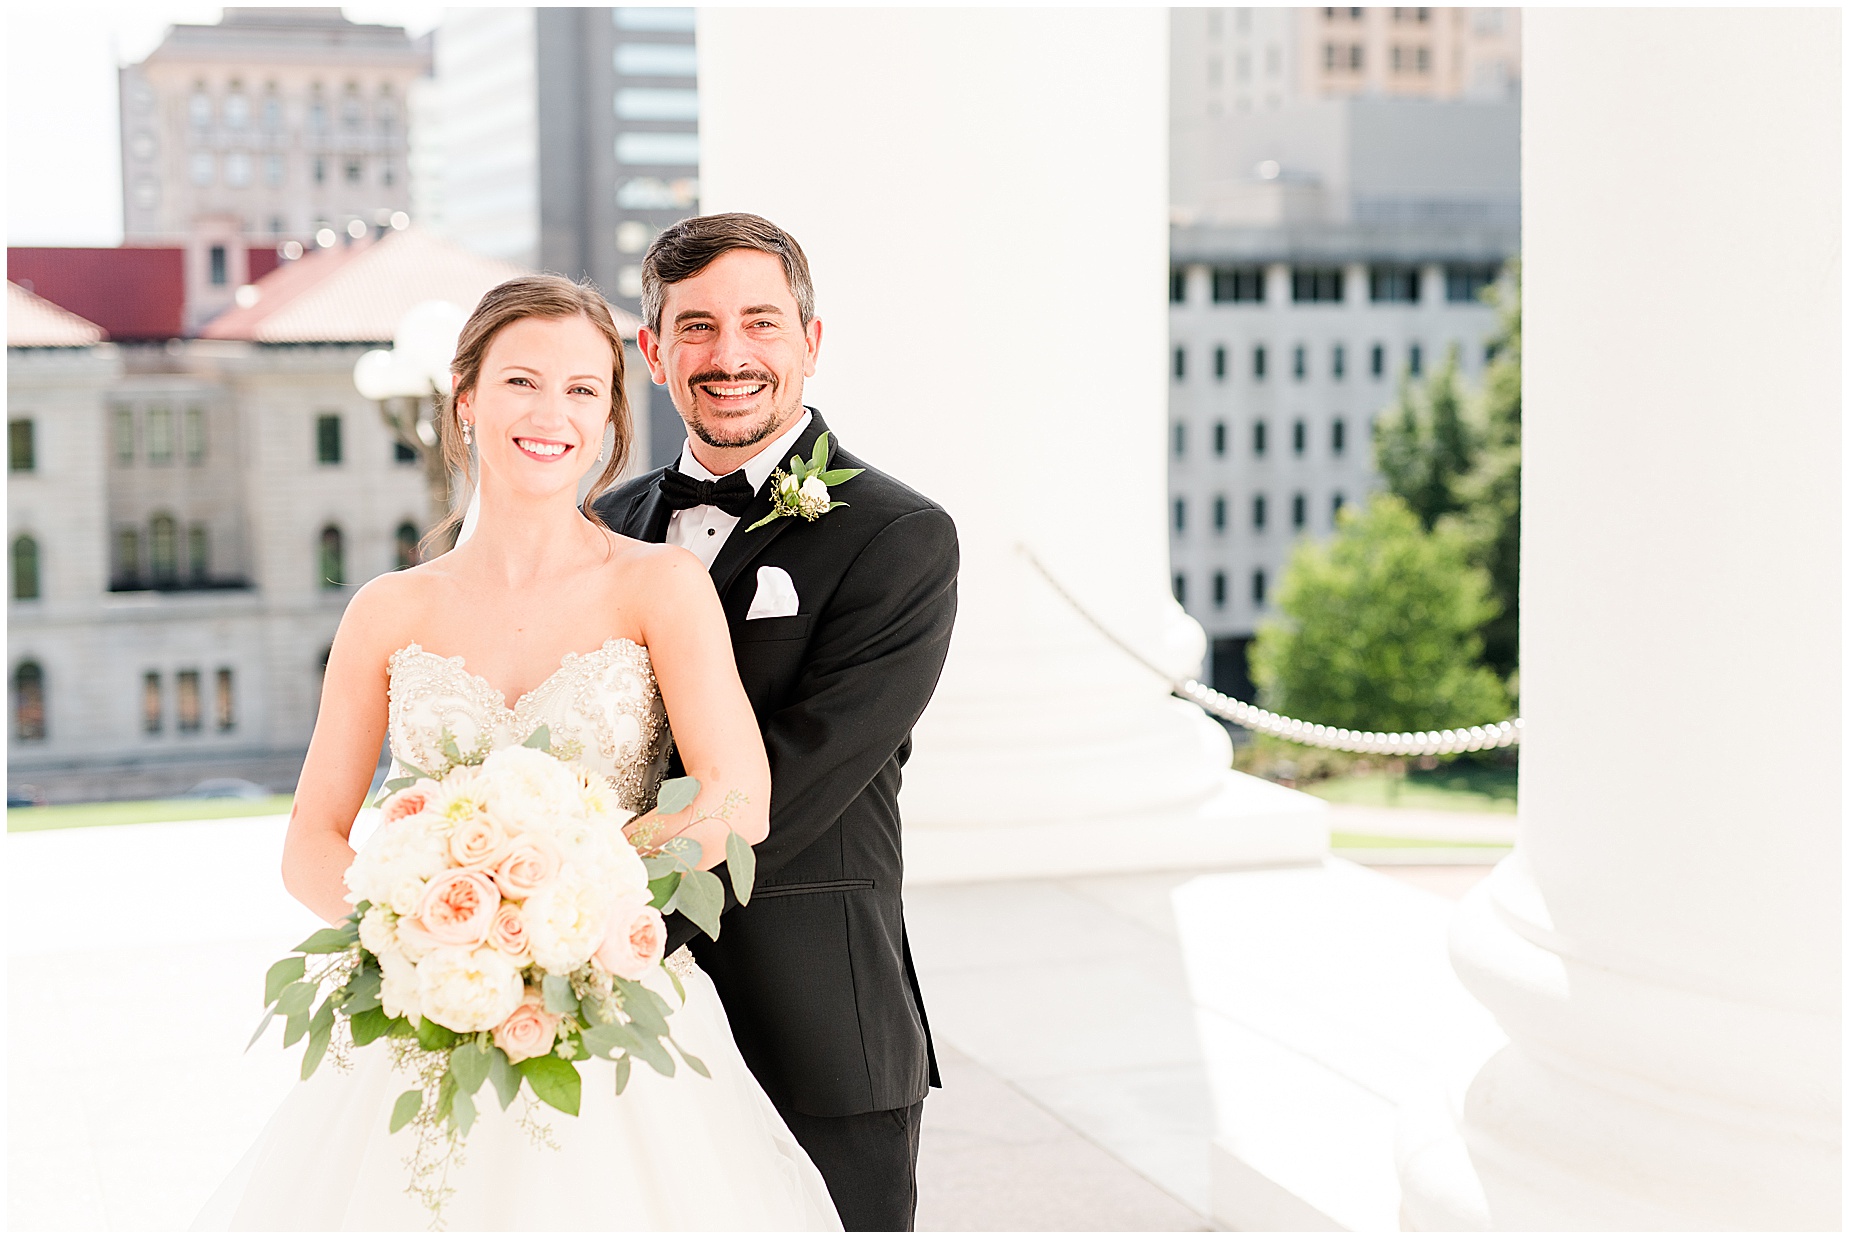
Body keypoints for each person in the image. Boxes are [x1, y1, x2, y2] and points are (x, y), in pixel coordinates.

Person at [196, 275, 842, 1230]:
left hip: (607, 993)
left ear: (612, 414)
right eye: (521, 382)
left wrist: (572, 909)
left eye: (583, 389)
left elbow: (736, 797)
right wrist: (424, 936)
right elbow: (312, 840)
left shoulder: (659, 586)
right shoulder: (388, 608)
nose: (553, 414)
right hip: (427, 1008)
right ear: (465, 396)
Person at [595, 213, 959, 1232]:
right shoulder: (607, 526)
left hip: (815, 1021)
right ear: (654, 351)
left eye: (760, 322)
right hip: (617, 1023)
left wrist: (596, 915)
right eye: (698, 327)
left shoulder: (901, 537)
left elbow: (800, 774)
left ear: (809, 340)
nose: (731, 355)